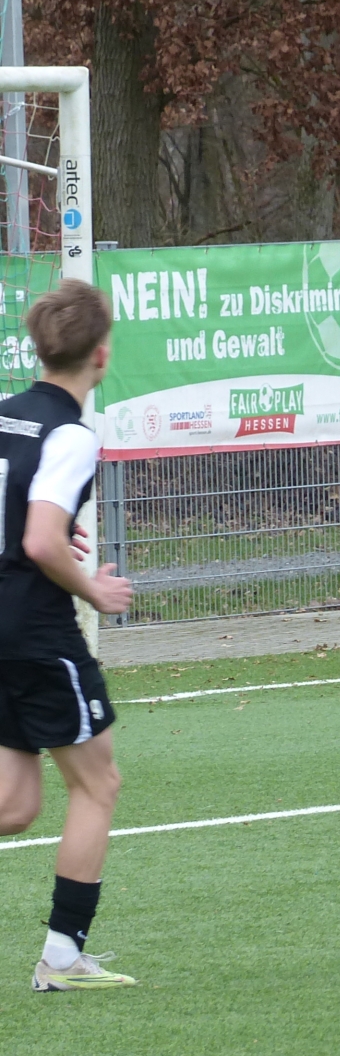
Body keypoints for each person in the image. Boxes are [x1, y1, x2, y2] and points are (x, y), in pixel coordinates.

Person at [0, 280, 137, 991]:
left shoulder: (5, 413)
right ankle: (61, 960)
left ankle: (62, 958)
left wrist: (43, 533)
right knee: (98, 783)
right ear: (101, 355)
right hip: (34, 627)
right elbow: (39, 540)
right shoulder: (73, 435)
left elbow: (24, 520)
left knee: (14, 805)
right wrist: (94, 589)